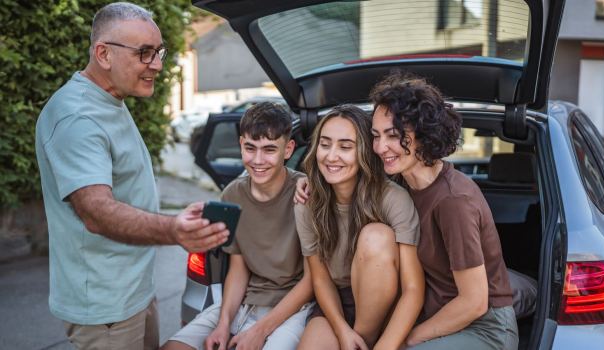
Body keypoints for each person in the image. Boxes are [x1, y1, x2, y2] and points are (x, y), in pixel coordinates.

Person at [34, 3, 228, 349]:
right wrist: (173, 229)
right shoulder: (77, 117)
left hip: (133, 292)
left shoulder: (109, 100)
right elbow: (95, 212)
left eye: (158, 52)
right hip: (107, 308)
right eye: (144, 53)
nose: (157, 65)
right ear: (104, 54)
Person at [369, 72, 518, 349]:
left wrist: (409, 339)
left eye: (393, 135)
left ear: (423, 135)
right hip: (435, 313)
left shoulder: (453, 201)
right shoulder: (399, 182)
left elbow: (473, 302)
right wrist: (305, 184)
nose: (380, 147)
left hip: (483, 328)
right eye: (376, 136)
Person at [162, 102, 313, 350]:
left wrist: (259, 331)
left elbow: (312, 281)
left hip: (294, 308)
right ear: (241, 144)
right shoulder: (232, 195)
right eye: (250, 148)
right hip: (245, 301)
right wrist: (224, 323)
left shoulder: (306, 192)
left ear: (288, 150)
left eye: (269, 150)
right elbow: (238, 268)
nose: (258, 160)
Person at [295, 105, 424, 350]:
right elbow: (320, 279)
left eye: (345, 147)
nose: (331, 156)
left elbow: (413, 288)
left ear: (365, 151)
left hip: (386, 304)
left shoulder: (393, 199)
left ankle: (365, 338)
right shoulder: (306, 202)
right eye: (325, 144)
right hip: (336, 304)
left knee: (375, 235)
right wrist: (343, 331)